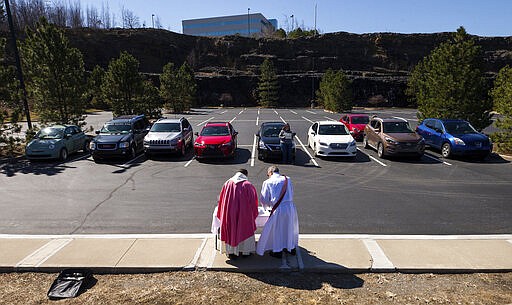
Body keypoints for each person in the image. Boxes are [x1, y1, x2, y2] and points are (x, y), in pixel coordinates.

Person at [256, 166, 299, 258]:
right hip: (290, 206)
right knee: (289, 228)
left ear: (270, 172)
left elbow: (264, 199)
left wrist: (266, 207)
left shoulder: (268, 182)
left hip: (278, 208)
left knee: (277, 229)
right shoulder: (288, 179)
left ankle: (277, 250)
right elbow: (292, 192)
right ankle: (290, 248)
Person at [216, 169, 259, 258]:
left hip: (228, 213)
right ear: (245, 175)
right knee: (244, 229)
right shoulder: (248, 185)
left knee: (230, 230)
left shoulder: (227, 183)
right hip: (244, 214)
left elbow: (221, 200)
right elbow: (253, 201)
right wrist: (253, 213)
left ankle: (231, 253)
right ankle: (245, 252)